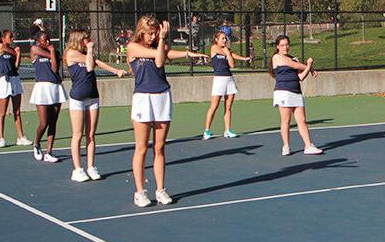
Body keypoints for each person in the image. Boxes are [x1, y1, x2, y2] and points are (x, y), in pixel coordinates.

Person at [128, 16, 206, 207]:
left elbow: (166, 55)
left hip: (162, 96)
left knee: (159, 147)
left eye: (156, 33)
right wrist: (162, 41)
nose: (153, 36)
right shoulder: (133, 47)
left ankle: (160, 189)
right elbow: (159, 61)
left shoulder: (159, 46)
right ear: (141, 31)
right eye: (150, 33)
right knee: (141, 148)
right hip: (143, 99)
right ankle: (140, 192)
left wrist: (189, 53)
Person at [64, 29, 128, 182]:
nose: (89, 40)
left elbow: (97, 62)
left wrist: (116, 71)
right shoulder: (71, 53)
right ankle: (77, 169)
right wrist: (91, 50)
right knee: (77, 134)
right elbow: (90, 67)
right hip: (78, 98)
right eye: (86, 38)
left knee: (91, 135)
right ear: (79, 39)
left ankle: (91, 167)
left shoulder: (87, 55)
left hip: (93, 97)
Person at [270, 34, 322, 156]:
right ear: (277, 46)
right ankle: (286, 146)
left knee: (302, 120)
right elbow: (295, 65)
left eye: (287, 45)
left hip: (296, 92)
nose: (285, 47)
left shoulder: (292, 58)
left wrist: (308, 68)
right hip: (283, 92)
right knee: (286, 120)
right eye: (282, 45)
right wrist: (310, 67)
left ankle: (308, 146)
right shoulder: (277, 58)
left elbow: (300, 77)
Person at [202, 30, 251, 139]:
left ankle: (227, 130)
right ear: (216, 39)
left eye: (225, 38)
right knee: (214, 106)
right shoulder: (214, 48)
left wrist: (244, 58)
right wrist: (229, 53)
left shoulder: (227, 51)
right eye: (222, 38)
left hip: (229, 79)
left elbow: (232, 64)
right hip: (219, 80)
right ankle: (206, 131)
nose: (224, 40)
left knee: (228, 107)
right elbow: (229, 54)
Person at [29, 29, 67, 162]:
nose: (48, 41)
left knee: (53, 122)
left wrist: (52, 52)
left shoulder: (54, 52)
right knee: (44, 122)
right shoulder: (34, 49)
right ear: (38, 41)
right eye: (44, 40)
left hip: (55, 87)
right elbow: (36, 50)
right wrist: (52, 54)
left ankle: (49, 152)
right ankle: (37, 144)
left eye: (49, 39)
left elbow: (55, 69)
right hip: (42, 88)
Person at [0, 30, 31, 148]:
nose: (12, 39)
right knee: (2, 112)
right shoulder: (1, 46)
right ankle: (1, 138)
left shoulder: (12, 50)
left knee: (17, 111)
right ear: (3, 38)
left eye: (12, 37)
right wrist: (15, 52)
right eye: (10, 37)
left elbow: (16, 66)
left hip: (15, 79)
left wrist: (18, 55)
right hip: (5, 80)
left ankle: (20, 137)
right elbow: (8, 50)